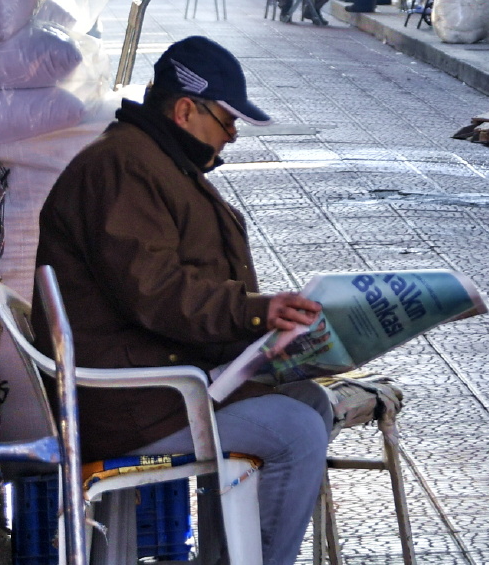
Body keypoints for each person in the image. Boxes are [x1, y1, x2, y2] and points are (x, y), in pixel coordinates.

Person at [37, 37, 330, 565]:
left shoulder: (156, 161)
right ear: (185, 109)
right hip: (133, 400)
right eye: (227, 120)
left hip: (165, 377)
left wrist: (272, 332)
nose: (233, 136)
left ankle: (233, 555)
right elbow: (156, 292)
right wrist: (255, 311)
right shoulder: (124, 166)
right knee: (297, 431)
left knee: (312, 400)